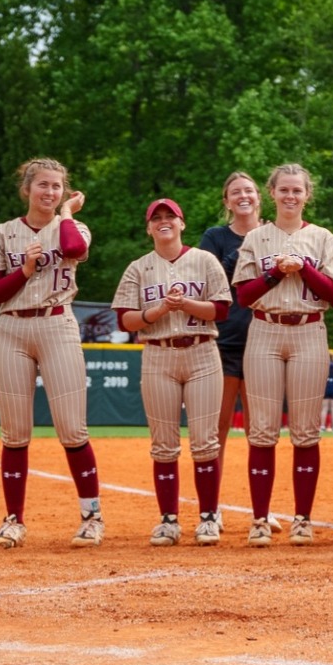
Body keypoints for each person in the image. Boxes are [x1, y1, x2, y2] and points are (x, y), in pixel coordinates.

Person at [0, 158, 104, 548]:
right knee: (14, 433)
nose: (50, 192)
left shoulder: (73, 226)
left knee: (72, 429)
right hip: (12, 327)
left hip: (57, 323)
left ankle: (91, 516)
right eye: (43, 186)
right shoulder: (2, 233)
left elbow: (71, 247)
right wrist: (24, 270)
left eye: (57, 187)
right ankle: (13, 520)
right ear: (27, 189)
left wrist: (66, 212)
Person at [232, 164, 333, 545]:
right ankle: (260, 519)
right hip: (264, 328)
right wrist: (276, 274)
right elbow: (243, 296)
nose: (291, 196)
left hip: (309, 330)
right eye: (284, 190)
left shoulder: (323, 237)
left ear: (307, 195)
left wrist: (306, 270)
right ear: (273, 193)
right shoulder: (257, 237)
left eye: (297, 190)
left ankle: (302, 519)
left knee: (306, 431)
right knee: (262, 430)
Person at [113, 197, 232, 545]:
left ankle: (209, 517)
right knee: (163, 444)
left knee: (205, 442)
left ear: (182, 224)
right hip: (158, 353)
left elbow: (221, 310)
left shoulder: (204, 260)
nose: (163, 222)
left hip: (201, 352)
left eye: (170, 216)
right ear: (149, 228)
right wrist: (160, 310)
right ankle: (168, 520)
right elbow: (125, 320)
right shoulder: (139, 268)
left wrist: (187, 304)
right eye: (157, 218)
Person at [199, 172, 262, 459]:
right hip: (223, 341)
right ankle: (212, 502)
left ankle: (258, 504)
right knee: (217, 427)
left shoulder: (275, 235)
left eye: (249, 190)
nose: (243, 196)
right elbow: (208, 280)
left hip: (263, 342)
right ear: (227, 201)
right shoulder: (215, 236)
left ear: (259, 197)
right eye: (235, 192)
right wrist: (248, 245)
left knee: (259, 430)